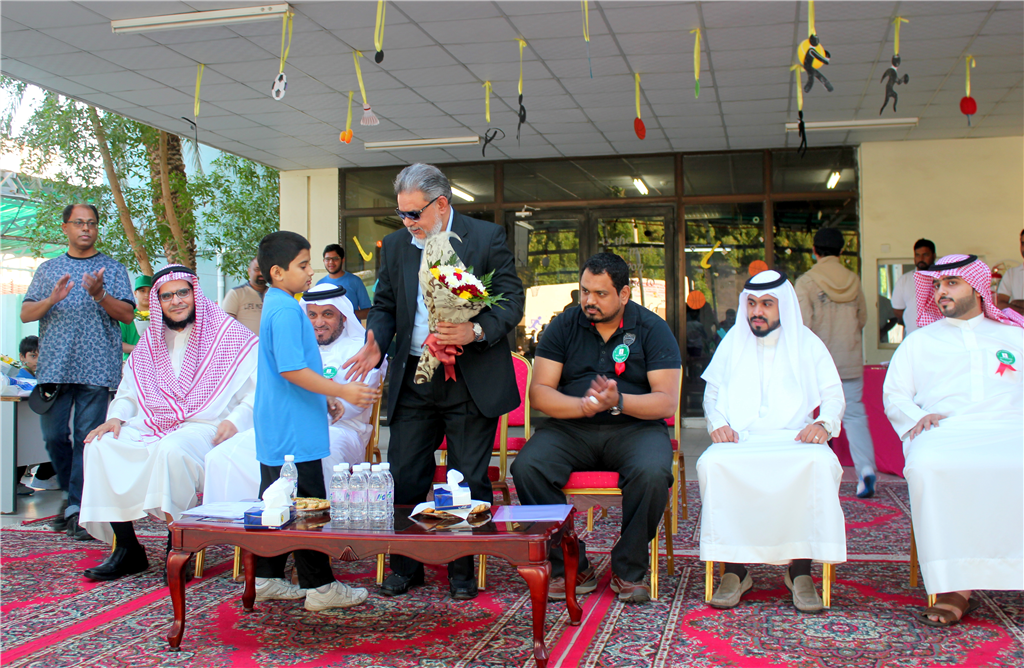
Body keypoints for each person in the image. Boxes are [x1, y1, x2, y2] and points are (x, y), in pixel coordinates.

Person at [344, 163, 525, 601]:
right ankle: (406, 566)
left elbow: (511, 300)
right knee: (405, 474)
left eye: (414, 213)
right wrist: (375, 341)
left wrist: (474, 329)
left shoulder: (485, 237)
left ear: (441, 204)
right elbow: (385, 305)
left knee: (466, 477)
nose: (407, 222)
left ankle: (461, 568)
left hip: (470, 377)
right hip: (415, 377)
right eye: (401, 213)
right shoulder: (397, 246)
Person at [511, 253, 681, 604]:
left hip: (635, 429)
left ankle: (629, 567)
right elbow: (539, 393)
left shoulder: (652, 328)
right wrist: (583, 407)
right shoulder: (564, 325)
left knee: (652, 473)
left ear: (624, 294)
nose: (589, 300)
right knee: (528, 467)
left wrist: (619, 401)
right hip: (571, 429)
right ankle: (570, 563)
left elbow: (666, 402)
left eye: (601, 293)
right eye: (585, 291)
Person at [78, 265, 258, 580]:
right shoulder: (151, 341)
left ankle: (177, 548)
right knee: (100, 444)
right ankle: (127, 549)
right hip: (154, 422)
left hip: (207, 426)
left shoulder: (229, 335)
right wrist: (116, 417)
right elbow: (129, 391)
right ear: (158, 302)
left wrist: (234, 421)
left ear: (195, 294)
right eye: (167, 296)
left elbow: (257, 394)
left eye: (182, 293)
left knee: (172, 450)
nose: (176, 301)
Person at [883, 254, 1024, 628]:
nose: (940, 292)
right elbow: (894, 394)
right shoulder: (919, 342)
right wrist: (915, 418)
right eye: (936, 285)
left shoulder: (1014, 336)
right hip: (946, 432)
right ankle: (954, 586)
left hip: (1013, 429)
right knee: (929, 466)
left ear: (977, 288)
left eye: (951, 283)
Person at [698, 270, 846, 613]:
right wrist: (718, 423)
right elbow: (712, 395)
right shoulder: (733, 341)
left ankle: (800, 571)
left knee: (819, 463)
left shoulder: (807, 342)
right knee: (712, 463)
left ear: (785, 306)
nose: (756, 311)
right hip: (741, 439)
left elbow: (833, 395)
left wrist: (824, 423)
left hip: (794, 438)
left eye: (766, 304)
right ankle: (734, 571)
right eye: (751, 303)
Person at [252, 231, 377, 611]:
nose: (311, 272)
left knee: (277, 502)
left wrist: (324, 397)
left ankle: (267, 577)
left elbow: (295, 367)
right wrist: (342, 390)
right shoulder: (287, 310)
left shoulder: (277, 303)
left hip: (282, 423)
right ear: (277, 272)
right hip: (295, 429)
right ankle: (321, 587)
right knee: (308, 508)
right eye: (303, 265)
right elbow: (292, 369)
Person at [204, 283, 386, 502]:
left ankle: (320, 519)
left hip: (340, 430)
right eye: (312, 315)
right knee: (223, 455)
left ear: (344, 316)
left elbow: (351, 407)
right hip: (286, 425)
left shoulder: (360, 350)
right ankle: (242, 520)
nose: (319, 322)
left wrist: (311, 398)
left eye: (328, 314)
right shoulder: (292, 345)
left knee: (321, 455)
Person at [21, 203, 135, 540]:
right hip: (55, 367)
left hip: (97, 368)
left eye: (92, 223)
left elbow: (127, 315)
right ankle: (74, 499)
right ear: (65, 227)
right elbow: (26, 314)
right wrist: (51, 299)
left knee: (88, 440)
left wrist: (100, 294)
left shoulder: (112, 269)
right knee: (53, 436)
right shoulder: (48, 269)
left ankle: (76, 507)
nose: (86, 228)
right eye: (79, 223)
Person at [795, 227, 875, 498]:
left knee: (810, 418)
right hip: (849, 359)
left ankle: (816, 477)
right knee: (854, 416)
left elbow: (801, 326)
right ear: (841, 251)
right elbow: (862, 319)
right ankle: (866, 470)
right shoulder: (853, 280)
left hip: (816, 365)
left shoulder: (807, 282)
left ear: (814, 251)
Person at [14, 336, 59, 494]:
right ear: (22, 357)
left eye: (42, 355)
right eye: (33, 356)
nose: (38, 360)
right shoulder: (19, 379)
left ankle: (44, 476)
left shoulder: (41, 377)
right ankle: (15, 481)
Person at [891, 239, 937, 338]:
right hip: (913, 336)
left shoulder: (943, 278)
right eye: (917, 255)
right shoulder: (904, 280)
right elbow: (898, 310)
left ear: (934, 256)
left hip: (939, 336)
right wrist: (911, 320)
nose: (921, 258)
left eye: (925, 255)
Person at [318, 244, 371, 320]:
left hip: (351, 328)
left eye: (335, 259)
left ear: (343, 260)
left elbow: (368, 312)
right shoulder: (319, 284)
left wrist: (346, 314)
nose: (331, 262)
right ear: (323, 261)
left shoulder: (355, 281)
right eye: (327, 259)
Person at [221, 257, 266, 335]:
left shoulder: (274, 295)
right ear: (249, 271)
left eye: (264, 270)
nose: (261, 273)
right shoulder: (236, 294)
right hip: (245, 342)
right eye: (257, 270)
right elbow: (226, 324)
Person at [120, 275, 152, 360]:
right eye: (142, 291)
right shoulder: (127, 315)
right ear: (135, 293)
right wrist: (138, 349)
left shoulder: (160, 315)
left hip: (157, 362)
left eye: (150, 291)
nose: (146, 294)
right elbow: (118, 343)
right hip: (131, 361)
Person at [995, 229, 1024, 316]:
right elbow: (1001, 305)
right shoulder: (1011, 274)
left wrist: (1017, 304)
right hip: (1018, 324)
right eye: (1023, 243)